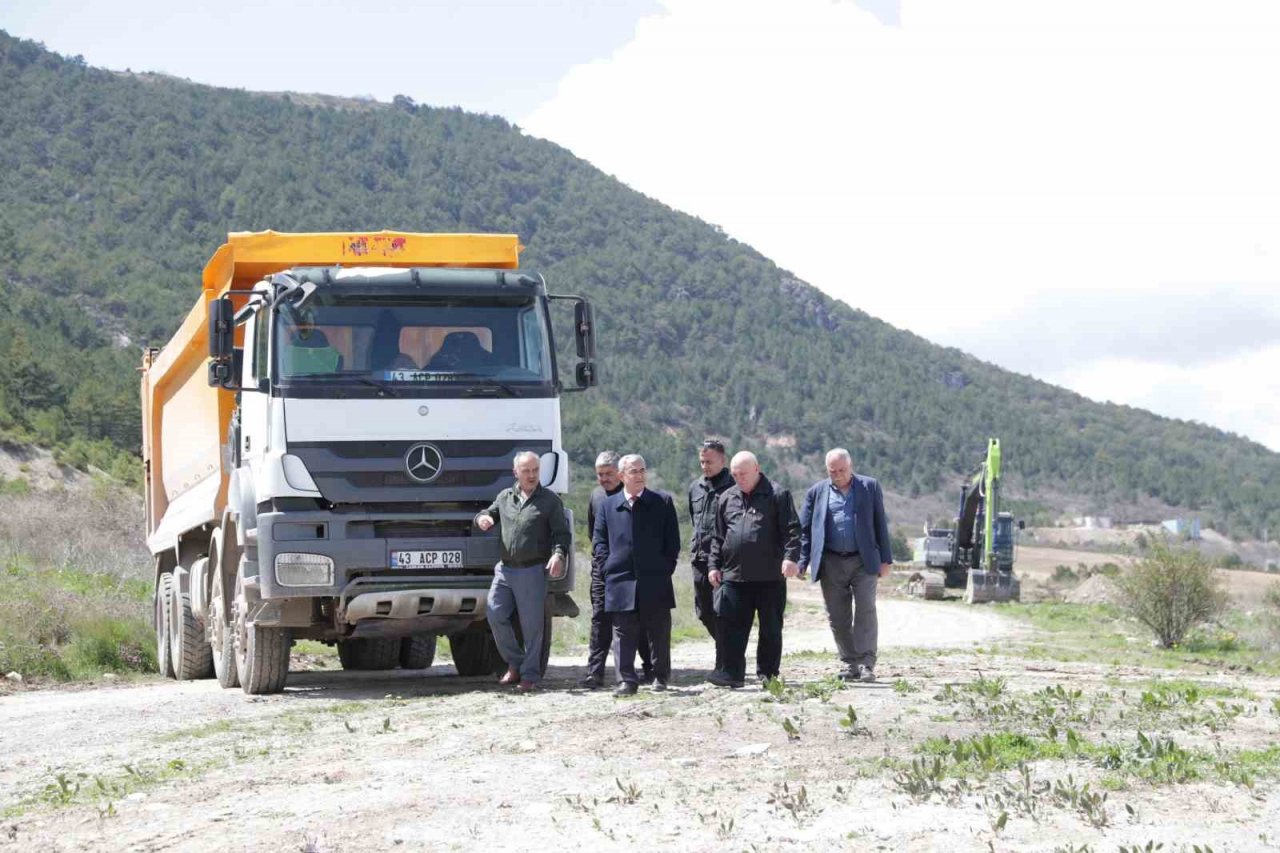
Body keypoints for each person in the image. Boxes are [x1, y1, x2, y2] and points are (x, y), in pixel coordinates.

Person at [475, 451, 570, 692]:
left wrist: (558, 554)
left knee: (532, 628)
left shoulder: (549, 501)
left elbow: (562, 533)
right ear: (515, 472)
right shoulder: (505, 497)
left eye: (535, 470)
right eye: (526, 471)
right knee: (495, 614)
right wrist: (483, 519)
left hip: (532, 571)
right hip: (505, 570)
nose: (531, 475)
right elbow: (488, 513)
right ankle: (516, 663)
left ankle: (530, 676)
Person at [798, 448, 893, 683]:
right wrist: (801, 561)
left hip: (863, 560)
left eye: (842, 470)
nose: (838, 475)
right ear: (827, 470)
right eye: (833, 471)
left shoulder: (869, 487)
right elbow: (805, 531)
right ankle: (851, 664)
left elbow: (880, 523)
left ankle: (867, 663)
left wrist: (886, 560)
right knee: (837, 616)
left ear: (851, 467)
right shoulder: (816, 492)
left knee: (865, 610)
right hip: (831, 561)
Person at [706, 451, 801, 688]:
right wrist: (713, 565)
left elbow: (792, 531)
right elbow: (718, 537)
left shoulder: (777, 495)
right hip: (734, 576)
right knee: (732, 628)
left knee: (770, 628)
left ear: (757, 469)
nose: (739, 478)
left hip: (770, 577)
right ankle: (731, 674)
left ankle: (768, 675)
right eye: (735, 474)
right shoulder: (727, 498)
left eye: (744, 474)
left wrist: (790, 558)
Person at [593, 454, 681, 696]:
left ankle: (660, 676)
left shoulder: (662, 502)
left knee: (658, 631)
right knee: (622, 634)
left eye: (642, 470)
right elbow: (599, 542)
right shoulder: (607, 506)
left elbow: (672, 542)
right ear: (622, 476)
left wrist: (664, 568)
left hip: (655, 579)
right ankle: (626, 680)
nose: (640, 475)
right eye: (634, 471)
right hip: (620, 580)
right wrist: (608, 567)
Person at [579, 451, 653, 689]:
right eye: (600, 474)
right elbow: (595, 535)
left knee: (637, 621)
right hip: (603, 571)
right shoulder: (596, 496)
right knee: (600, 620)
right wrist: (604, 564)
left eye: (609, 474)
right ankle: (595, 673)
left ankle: (649, 669)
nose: (604, 479)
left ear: (620, 474)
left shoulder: (633, 496)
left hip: (631, 573)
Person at [687, 439, 733, 671]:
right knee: (704, 612)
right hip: (699, 558)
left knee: (722, 612)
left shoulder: (733, 486)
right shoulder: (695, 487)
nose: (705, 466)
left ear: (722, 461)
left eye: (710, 462)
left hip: (724, 561)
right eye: (702, 462)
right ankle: (729, 651)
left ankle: (724, 662)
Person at [280, 308, 342, 375]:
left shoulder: (333, 355)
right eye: (304, 324)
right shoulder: (286, 353)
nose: (307, 327)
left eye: (309, 324)